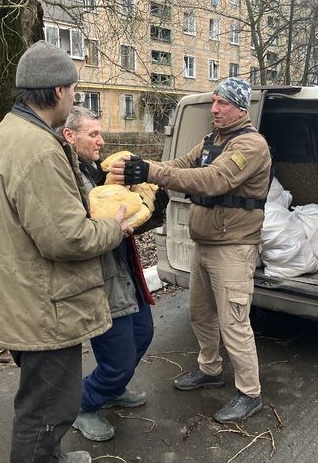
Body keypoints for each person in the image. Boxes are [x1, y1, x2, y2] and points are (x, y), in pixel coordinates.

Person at [0, 40, 132, 463]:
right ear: (58, 91)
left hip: (24, 295)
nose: (74, 98)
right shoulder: (38, 149)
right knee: (47, 410)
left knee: (44, 400)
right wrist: (113, 227)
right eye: (74, 90)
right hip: (43, 306)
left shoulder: (12, 130)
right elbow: (68, 238)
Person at [109, 77, 271, 423]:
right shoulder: (213, 140)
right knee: (200, 314)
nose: (215, 109)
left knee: (234, 323)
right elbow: (182, 166)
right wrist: (144, 168)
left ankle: (249, 392)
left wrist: (152, 171)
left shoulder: (251, 146)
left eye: (223, 103)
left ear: (241, 109)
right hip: (206, 244)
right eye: (213, 102)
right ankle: (209, 369)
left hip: (234, 248)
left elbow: (213, 180)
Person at [59, 107, 168, 441]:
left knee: (143, 334)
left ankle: (112, 388)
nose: (101, 141)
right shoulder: (65, 175)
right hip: (99, 280)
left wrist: (152, 206)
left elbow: (124, 224)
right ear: (69, 135)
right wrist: (107, 192)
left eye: (100, 133)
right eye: (93, 134)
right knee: (117, 357)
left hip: (124, 270)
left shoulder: (95, 167)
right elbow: (82, 226)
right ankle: (84, 405)